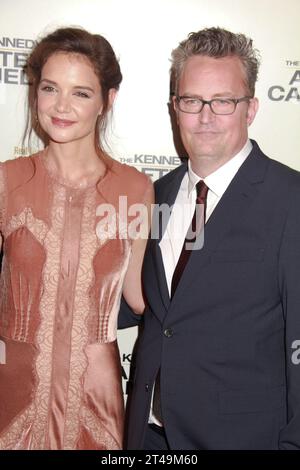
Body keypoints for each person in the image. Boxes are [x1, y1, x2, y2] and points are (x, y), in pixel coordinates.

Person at [120, 27, 300, 450]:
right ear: (174, 107)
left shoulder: (291, 201)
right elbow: (141, 310)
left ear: (250, 108)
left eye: (223, 101)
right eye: (191, 101)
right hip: (146, 438)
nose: (205, 116)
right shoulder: (154, 195)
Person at [0, 27, 153, 450]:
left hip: (95, 396)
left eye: (81, 93)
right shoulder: (6, 180)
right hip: (12, 390)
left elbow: (141, 297)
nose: (61, 106)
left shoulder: (136, 188)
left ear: (108, 99)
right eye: (50, 88)